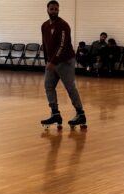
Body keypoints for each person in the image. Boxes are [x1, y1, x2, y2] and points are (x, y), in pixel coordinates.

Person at [40, 0, 86, 128]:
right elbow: (45, 45)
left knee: (70, 88)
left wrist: (53, 61)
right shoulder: (44, 25)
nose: (54, 11)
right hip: (52, 63)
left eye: (56, 9)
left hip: (65, 61)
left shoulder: (63, 25)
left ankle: (80, 114)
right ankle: (55, 114)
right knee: (48, 86)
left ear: (58, 10)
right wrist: (47, 61)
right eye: (52, 9)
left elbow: (63, 45)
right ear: (47, 10)